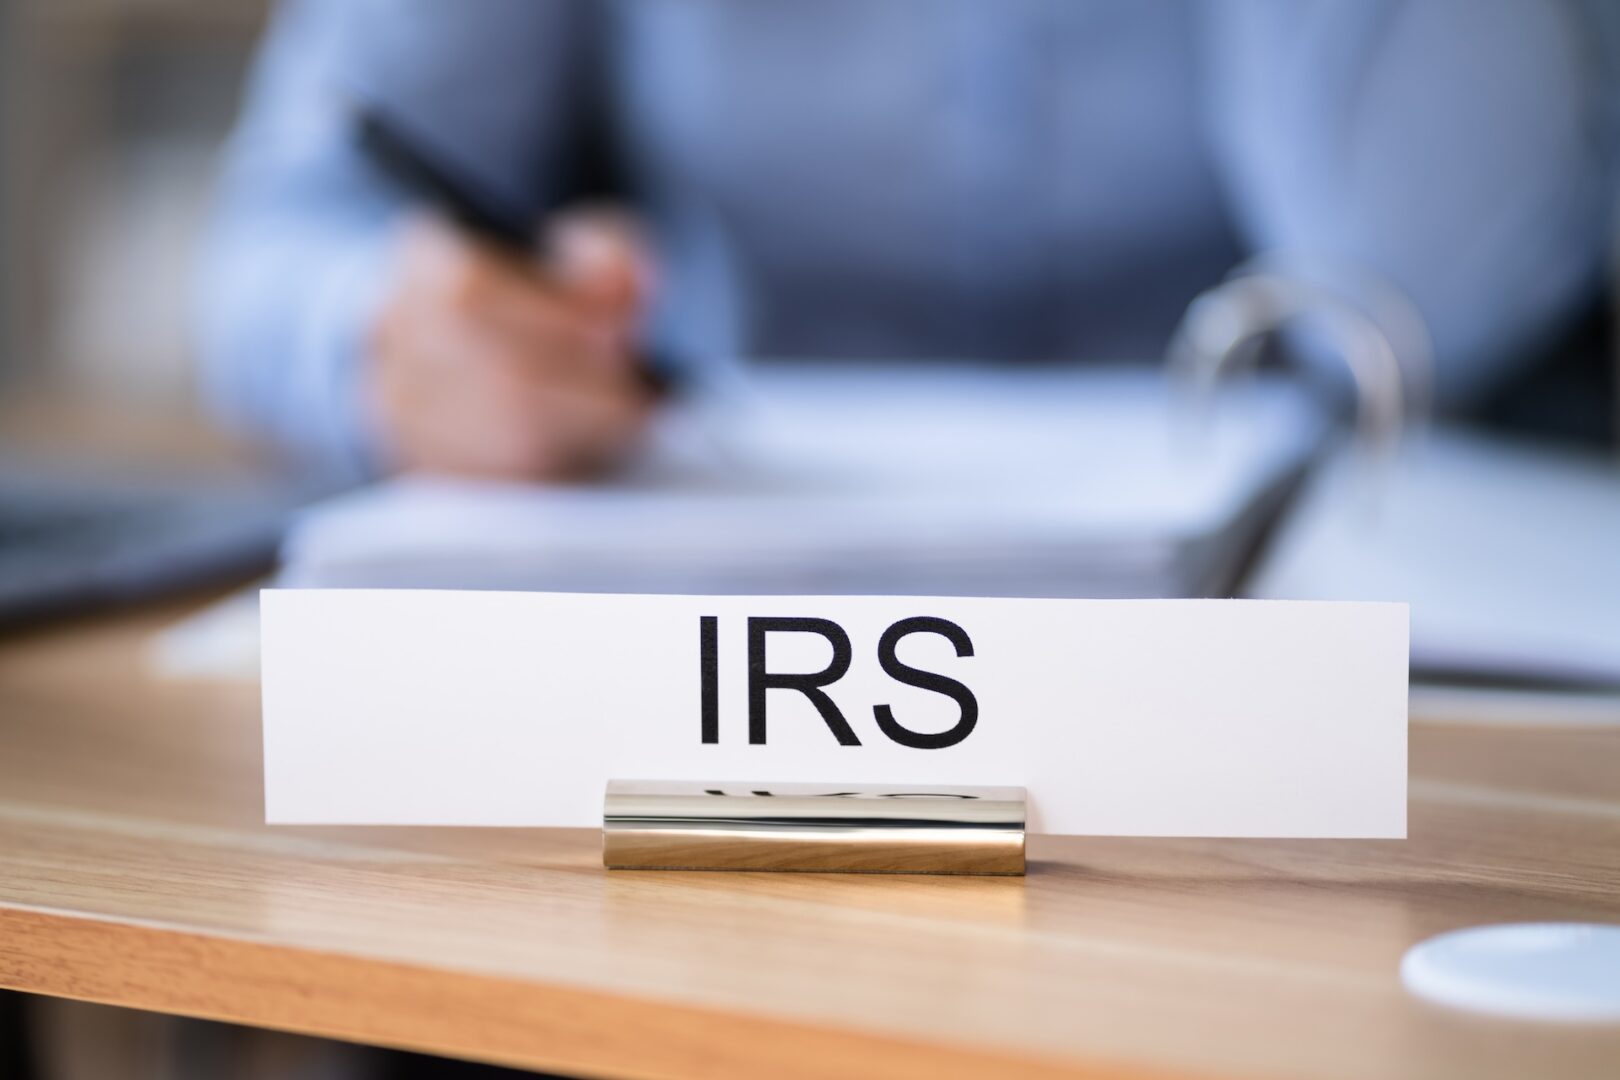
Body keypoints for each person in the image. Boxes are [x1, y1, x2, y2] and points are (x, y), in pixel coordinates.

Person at [198, 0, 1620, 481]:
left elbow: (1442, 294)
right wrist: (384, 338)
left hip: (1279, 629)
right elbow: (273, 240)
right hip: (721, 573)